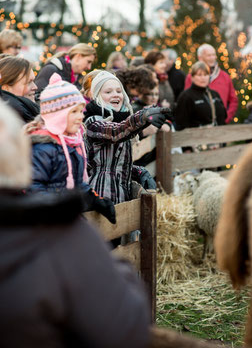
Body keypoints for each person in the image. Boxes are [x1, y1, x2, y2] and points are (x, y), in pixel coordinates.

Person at [0, 101, 150, 348]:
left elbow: (81, 181)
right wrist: (116, 268)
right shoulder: (63, 237)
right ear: (19, 156)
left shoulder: (72, 143)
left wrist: (93, 197)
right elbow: (124, 329)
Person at [27, 72, 116, 224]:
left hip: (68, 218)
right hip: (47, 223)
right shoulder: (42, 148)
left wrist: (95, 199)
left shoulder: (72, 144)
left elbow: (76, 184)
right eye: (74, 112)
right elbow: (33, 189)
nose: (81, 117)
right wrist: (60, 209)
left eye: (81, 111)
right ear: (57, 115)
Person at [84, 70, 170, 204]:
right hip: (101, 195)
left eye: (119, 91)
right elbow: (115, 133)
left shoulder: (123, 122)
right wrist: (143, 116)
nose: (115, 95)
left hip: (122, 195)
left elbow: (115, 163)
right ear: (97, 96)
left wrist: (138, 172)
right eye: (108, 92)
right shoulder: (93, 122)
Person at [184, 44, 238, 123]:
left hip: (220, 125)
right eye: (209, 55)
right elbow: (186, 101)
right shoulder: (191, 77)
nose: (212, 58)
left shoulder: (225, 76)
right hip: (198, 127)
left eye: (213, 55)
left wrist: (226, 118)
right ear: (200, 58)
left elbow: (233, 100)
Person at [175, 61, 226, 130]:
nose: (203, 78)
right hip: (198, 138)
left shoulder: (215, 94)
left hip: (219, 137)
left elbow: (224, 117)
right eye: (199, 75)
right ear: (192, 77)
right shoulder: (186, 96)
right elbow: (181, 124)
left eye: (205, 75)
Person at [0, 56, 39, 122]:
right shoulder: (11, 120)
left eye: (33, 81)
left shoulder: (24, 113)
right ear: (6, 88)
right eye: (28, 82)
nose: (35, 87)